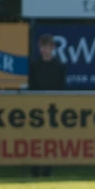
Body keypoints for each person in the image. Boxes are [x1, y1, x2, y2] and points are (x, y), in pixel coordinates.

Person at [29, 34, 67, 177]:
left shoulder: (60, 67)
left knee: (50, 140)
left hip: (53, 109)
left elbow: (61, 89)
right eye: (42, 47)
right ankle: (34, 169)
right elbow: (31, 88)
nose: (45, 50)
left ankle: (47, 170)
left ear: (53, 48)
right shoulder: (34, 66)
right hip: (36, 109)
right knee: (35, 140)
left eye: (48, 47)